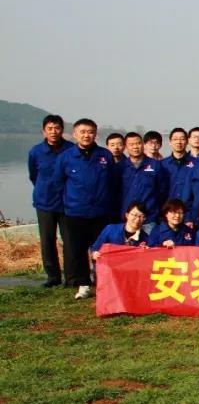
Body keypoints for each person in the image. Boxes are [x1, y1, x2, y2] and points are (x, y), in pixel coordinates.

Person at [57, 118, 114, 299]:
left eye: (90, 132)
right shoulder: (66, 157)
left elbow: (114, 182)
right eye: (82, 132)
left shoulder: (105, 155)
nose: (86, 135)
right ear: (75, 134)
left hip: (101, 212)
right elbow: (58, 184)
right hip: (76, 212)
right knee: (78, 250)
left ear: (95, 134)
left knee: (102, 249)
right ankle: (83, 284)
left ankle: (102, 280)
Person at [28, 114, 74, 287]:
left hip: (67, 203)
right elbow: (33, 175)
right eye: (50, 129)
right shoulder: (36, 151)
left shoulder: (71, 150)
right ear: (43, 131)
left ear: (62, 130)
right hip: (44, 202)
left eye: (57, 128)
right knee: (47, 240)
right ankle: (53, 277)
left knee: (70, 241)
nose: (53, 132)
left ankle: (71, 277)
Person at [118, 132, 166, 231]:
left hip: (149, 218)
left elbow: (162, 191)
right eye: (131, 144)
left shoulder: (155, 165)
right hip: (127, 219)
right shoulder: (120, 167)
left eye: (138, 143)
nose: (135, 147)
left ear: (143, 144)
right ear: (126, 147)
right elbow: (115, 192)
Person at [160, 127, 193, 202]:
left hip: (188, 207)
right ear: (170, 142)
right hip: (168, 207)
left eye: (182, 139)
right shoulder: (162, 164)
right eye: (175, 139)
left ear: (187, 142)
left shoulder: (196, 164)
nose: (179, 142)